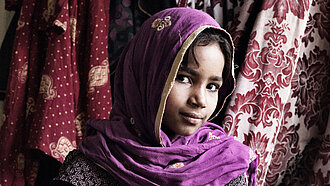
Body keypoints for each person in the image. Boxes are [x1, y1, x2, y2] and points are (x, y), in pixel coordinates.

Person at [53, 7, 257, 185]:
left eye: (212, 86)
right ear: (145, 76)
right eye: (184, 79)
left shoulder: (226, 166)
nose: (200, 100)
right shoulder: (91, 166)